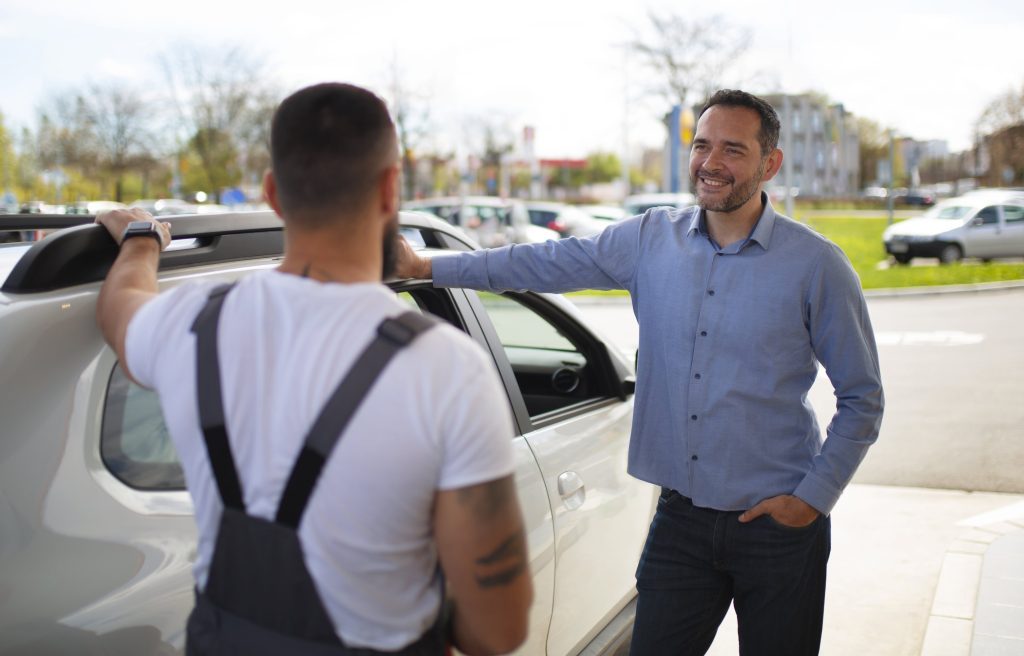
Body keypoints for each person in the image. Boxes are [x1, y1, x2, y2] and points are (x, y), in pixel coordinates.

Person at [394, 89, 884, 655]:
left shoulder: (816, 264)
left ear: (769, 163)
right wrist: (428, 266)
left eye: (733, 149)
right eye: (702, 145)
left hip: (778, 526)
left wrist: (811, 499)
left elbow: (862, 397)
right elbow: (540, 262)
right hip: (681, 521)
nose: (711, 163)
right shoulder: (650, 238)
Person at [95, 82, 532, 655]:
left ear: (274, 193)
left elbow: (119, 309)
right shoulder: (446, 369)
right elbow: (498, 632)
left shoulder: (187, 325)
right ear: (390, 189)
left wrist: (143, 238)